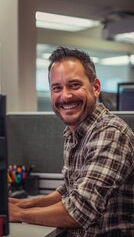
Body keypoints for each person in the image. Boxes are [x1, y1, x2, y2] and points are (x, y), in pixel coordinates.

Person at [9, 47, 134, 237]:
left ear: (96, 87)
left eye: (74, 85)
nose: (65, 96)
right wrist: (24, 203)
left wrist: (19, 214)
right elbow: (69, 190)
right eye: (57, 88)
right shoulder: (74, 132)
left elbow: (79, 211)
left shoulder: (110, 133)